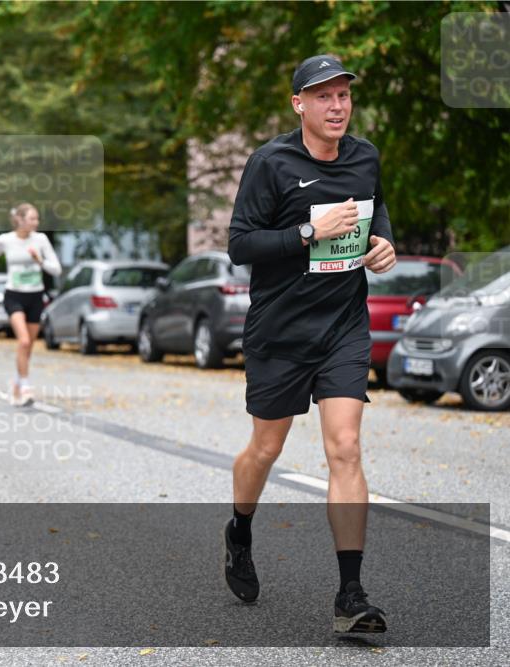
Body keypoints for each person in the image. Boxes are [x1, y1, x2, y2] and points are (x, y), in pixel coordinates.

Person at [224, 55, 396, 634]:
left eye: (343, 95)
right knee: (264, 452)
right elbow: (240, 245)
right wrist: (307, 233)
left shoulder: (365, 155)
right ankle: (240, 529)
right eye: (323, 97)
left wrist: (384, 245)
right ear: (299, 104)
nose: (337, 106)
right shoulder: (271, 163)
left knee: (345, 448)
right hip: (279, 332)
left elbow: (378, 212)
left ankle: (351, 594)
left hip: (343, 326)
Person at [0, 203, 61, 405]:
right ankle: (26, 387)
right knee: (23, 341)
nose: (36, 222)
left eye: (37, 219)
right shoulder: (5, 240)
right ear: (20, 219)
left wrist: (39, 260)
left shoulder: (41, 240)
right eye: (32, 219)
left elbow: (57, 270)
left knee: (29, 347)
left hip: (35, 296)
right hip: (14, 295)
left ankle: (16, 382)